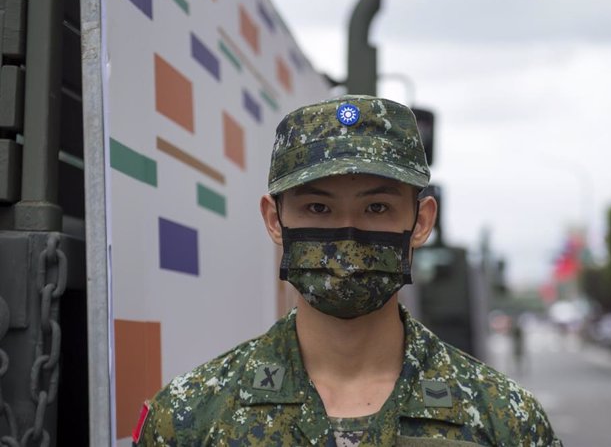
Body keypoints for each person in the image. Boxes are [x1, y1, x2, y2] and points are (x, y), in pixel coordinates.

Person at [133, 95, 562, 446]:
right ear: (273, 220)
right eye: (317, 207)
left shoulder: (506, 422)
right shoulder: (190, 419)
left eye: (377, 208)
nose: (348, 241)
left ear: (422, 221)